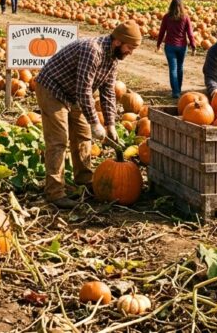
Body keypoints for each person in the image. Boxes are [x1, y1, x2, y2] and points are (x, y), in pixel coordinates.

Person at [35, 21, 141, 208]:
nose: (130, 52)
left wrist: (110, 125)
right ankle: (54, 192)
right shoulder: (93, 50)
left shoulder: (113, 59)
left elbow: (108, 93)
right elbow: (84, 90)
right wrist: (95, 122)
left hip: (73, 94)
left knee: (83, 136)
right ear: (118, 41)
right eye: (130, 47)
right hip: (52, 89)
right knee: (58, 140)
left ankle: (84, 180)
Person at [156, 0, 196, 99]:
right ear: (181, 6)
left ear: (171, 6)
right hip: (182, 47)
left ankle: (175, 91)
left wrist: (158, 44)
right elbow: (190, 34)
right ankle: (179, 89)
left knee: (173, 69)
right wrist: (193, 46)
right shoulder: (185, 17)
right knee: (180, 67)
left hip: (170, 46)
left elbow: (162, 32)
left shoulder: (166, 17)